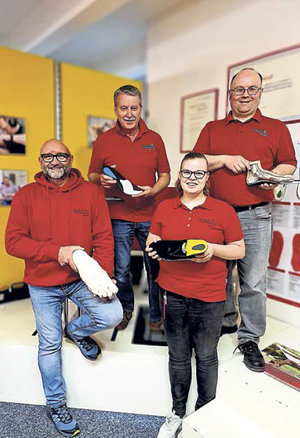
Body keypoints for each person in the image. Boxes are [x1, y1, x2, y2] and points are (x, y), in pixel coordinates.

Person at [5, 139, 123, 437]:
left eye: (60, 156)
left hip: (80, 279)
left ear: (70, 159)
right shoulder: (25, 196)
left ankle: (78, 330)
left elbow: (104, 239)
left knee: (112, 315)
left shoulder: (91, 193)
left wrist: (103, 276)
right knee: (49, 344)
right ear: (40, 160)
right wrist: (58, 252)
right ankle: (56, 404)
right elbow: (13, 242)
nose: (54, 161)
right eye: (48, 156)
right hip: (42, 283)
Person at [194, 68, 297, 372]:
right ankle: (224, 321)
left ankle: (249, 338)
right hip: (216, 214)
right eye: (239, 89)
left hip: (256, 214)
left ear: (261, 93)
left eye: (252, 89)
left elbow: (289, 164)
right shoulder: (213, 128)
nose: (245, 95)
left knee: (252, 280)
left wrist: (273, 176)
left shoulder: (275, 128)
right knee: (216, 274)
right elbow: (196, 162)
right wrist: (224, 159)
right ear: (230, 93)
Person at [146, 152, 245, 438]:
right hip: (174, 295)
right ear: (179, 176)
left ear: (207, 178)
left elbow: (239, 249)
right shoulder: (164, 208)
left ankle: (204, 413)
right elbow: (154, 240)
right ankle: (177, 412)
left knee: (205, 356)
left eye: (199, 174)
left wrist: (212, 249)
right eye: (187, 173)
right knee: (177, 357)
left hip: (210, 297)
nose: (192, 178)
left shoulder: (223, 210)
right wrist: (155, 247)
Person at [88, 85, 170, 330]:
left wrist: (154, 190)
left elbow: (165, 175)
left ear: (141, 108)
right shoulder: (103, 140)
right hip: (118, 215)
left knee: (156, 269)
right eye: (124, 108)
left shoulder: (154, 139)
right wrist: (99, 180)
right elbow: (91, 174)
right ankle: (125, 311)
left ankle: (157, 314)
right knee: (121, 271)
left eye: (134, 108)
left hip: (150, 215)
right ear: (115, 109)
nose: (129, 113)